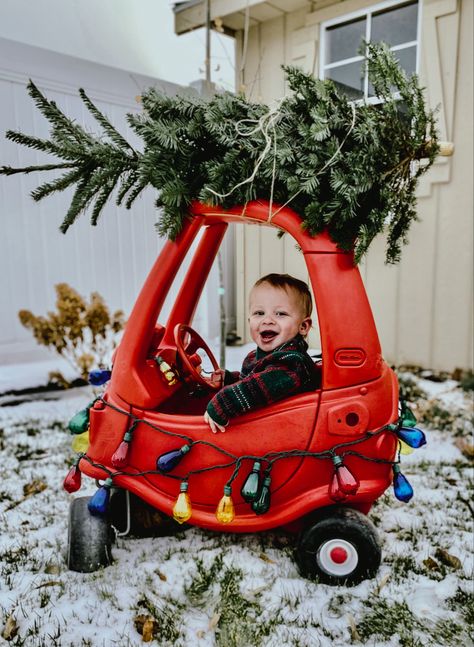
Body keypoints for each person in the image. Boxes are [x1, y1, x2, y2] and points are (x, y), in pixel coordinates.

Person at [204, 273, 319, 433]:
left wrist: (225, 402)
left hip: (284, 434)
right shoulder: (258, 355)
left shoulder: (292, 362)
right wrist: (231, 379)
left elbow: (262, 387)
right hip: (265, 426)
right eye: (259, 313)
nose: (267, 320)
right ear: (250, 320)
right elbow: (256, 378)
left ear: (303, 326)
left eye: (280, 314)